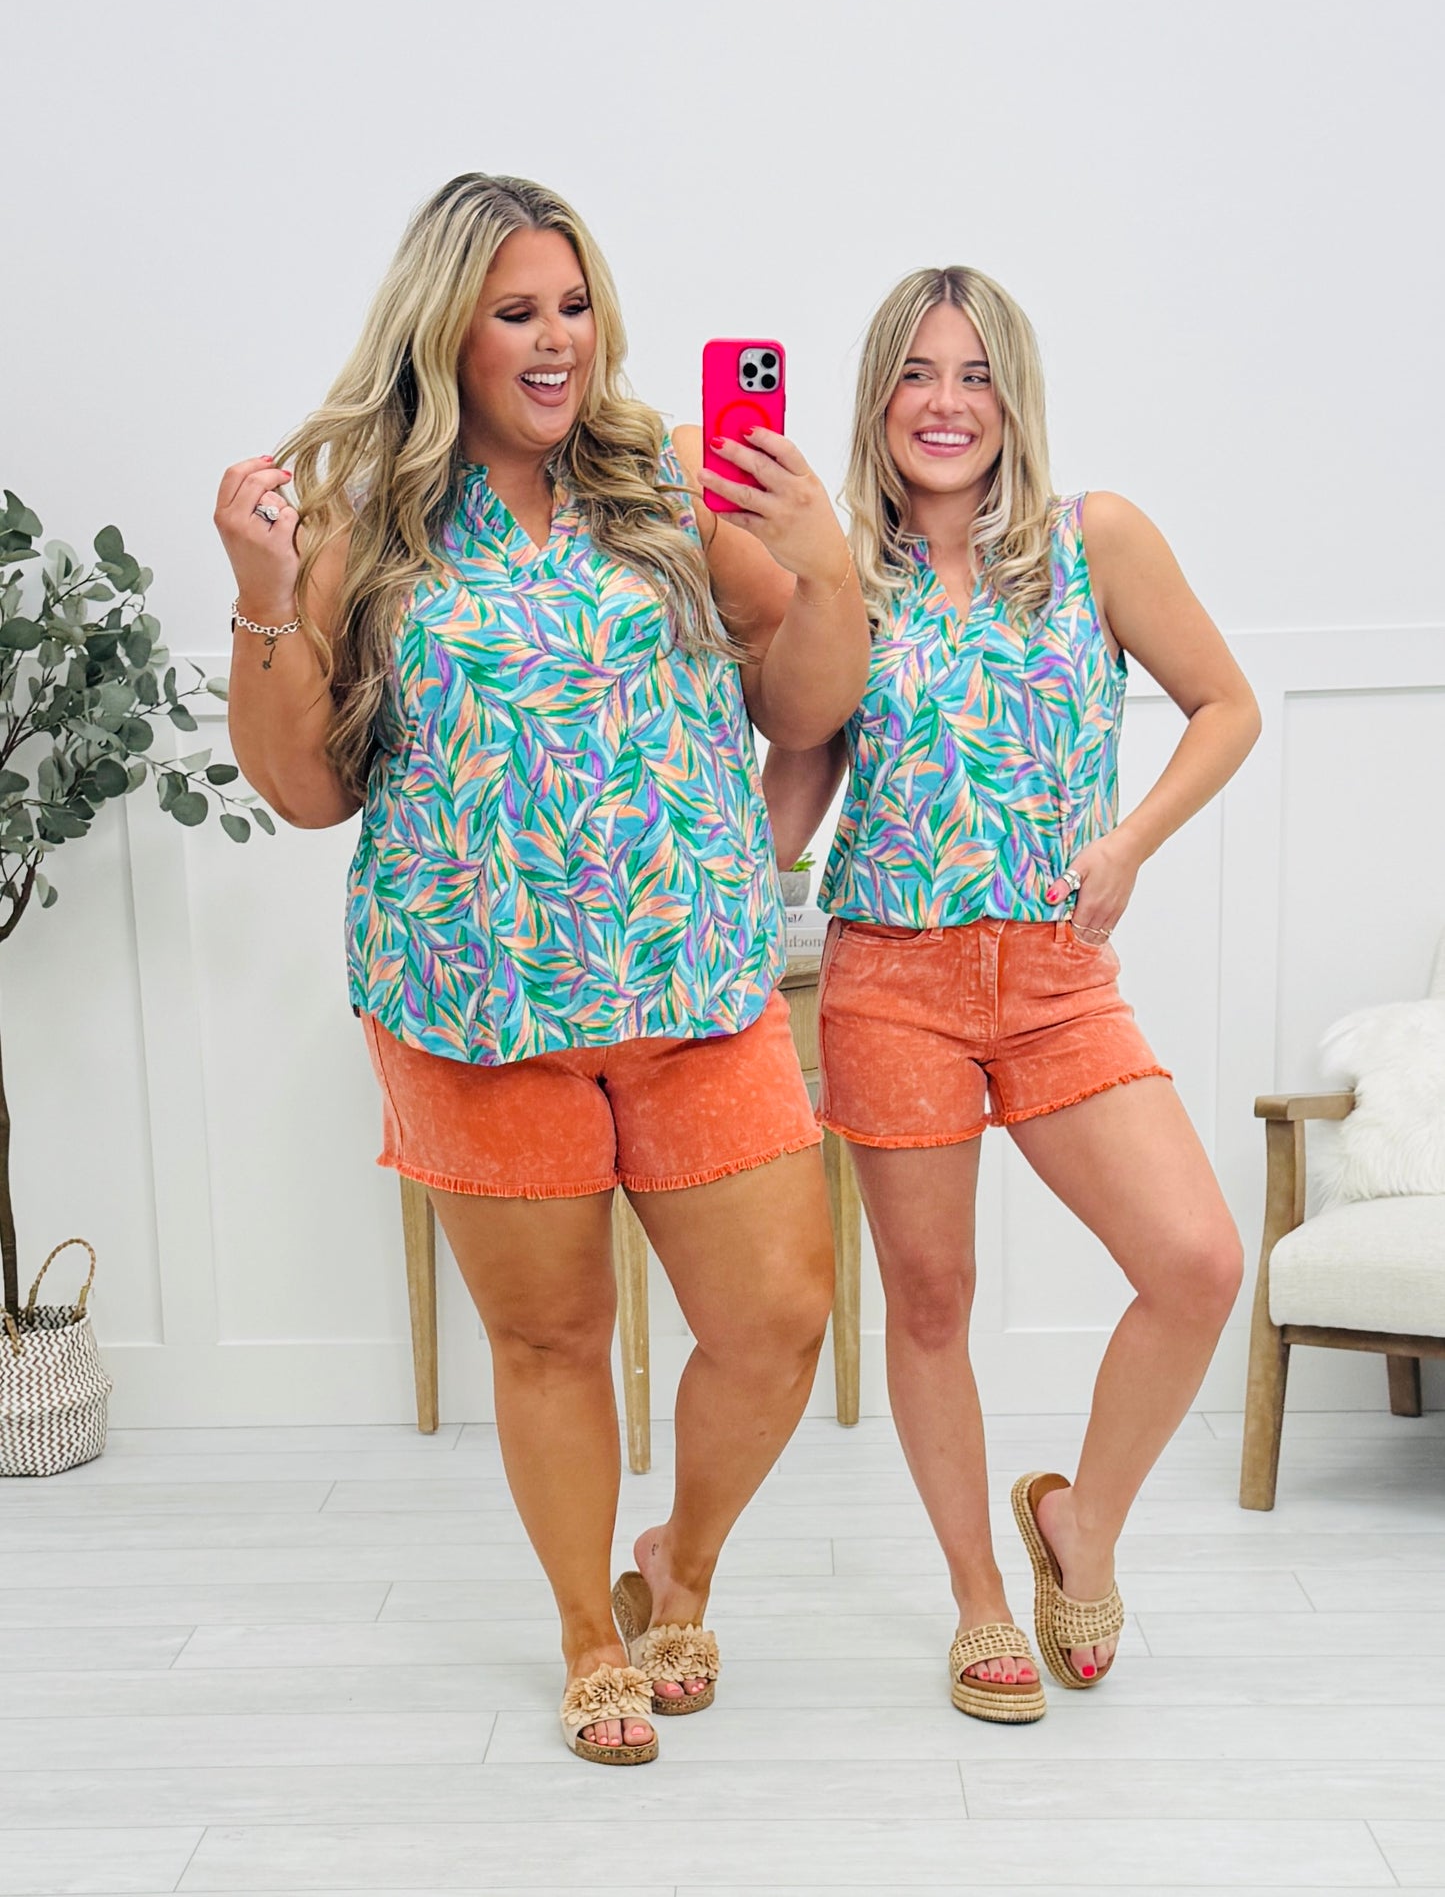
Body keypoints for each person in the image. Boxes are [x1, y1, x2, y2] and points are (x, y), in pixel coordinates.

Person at [213, 173, 869, 1764]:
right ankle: (587, 1629)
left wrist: (825, 566)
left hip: (693, 983)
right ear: (446, 328)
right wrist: (261, 597)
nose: (555, 338)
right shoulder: (362, 521)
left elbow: (803, 708)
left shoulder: (667, 484)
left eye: (572, 305)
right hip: (472, 1001)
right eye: (516, 312)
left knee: (777, 1314)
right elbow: (308, 790)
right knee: (551, 1340)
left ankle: (677, 1568)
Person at [764, 266, 1259, 1723]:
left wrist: (1129, 841)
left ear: (1012, 397)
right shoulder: (837, 572)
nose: (945, 403)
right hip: (889, 978)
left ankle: (1079, 1525)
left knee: (1196, 1263)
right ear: (877, 398)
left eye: (974, 374)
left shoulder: (1094, 541)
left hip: (1054, 977)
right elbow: (795, 788)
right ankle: (979, 1599)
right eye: (916, 374)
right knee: (931, 1301)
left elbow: (1225, 705)